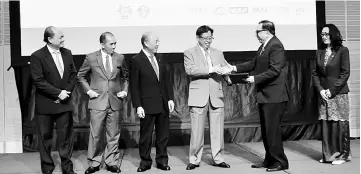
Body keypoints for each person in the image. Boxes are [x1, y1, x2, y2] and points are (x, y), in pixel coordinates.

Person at [227, 20, 289, 172]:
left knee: (272, 130)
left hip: (274, 95)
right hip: (265, 94)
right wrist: (233, 68)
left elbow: (275, 70)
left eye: (258, 31)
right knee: (267, 130)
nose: (256, 34)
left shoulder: (276, 45)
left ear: (267, 32)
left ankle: (280, 162)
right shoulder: (264, 46)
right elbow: (253, 63)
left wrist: (255, 79)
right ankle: (269, 160)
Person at [77, 32, 128, 174]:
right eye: (111, 44)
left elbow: (126, 77)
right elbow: (80, 76)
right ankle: (94, 162)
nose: (114, 46)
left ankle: (111, 162)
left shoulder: (120, 57)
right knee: (96, 134)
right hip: (97, 101)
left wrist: (124, 91)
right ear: (102, 45)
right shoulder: (91, 57)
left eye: (115, 43)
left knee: (113, 134)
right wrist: (88, 91)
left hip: (115, 101)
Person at [30, 26, 77, 174]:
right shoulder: (37, 56)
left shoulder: (67, 53)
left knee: (65, 138)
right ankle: (47, 168)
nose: (63, 40)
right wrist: (58, 93)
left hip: (65, 102)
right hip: (46, 104)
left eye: (63, 37)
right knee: (45, 138)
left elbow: (73, 75)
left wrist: (66, 92)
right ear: (50, 39)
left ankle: (67, 168)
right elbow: (38, 81)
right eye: (60, 37)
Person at [183, 25, 231, 170]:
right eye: (205, 38)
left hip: (216, 95)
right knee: (197, 130)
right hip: (199, 96)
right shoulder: (189, 52)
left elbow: (224, 68)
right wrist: (211, 69)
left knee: (217, 130)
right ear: (198, 38)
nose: (208, 41)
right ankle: (194, 159)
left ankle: (218, 158)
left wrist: (228, 78)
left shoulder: (218, 52)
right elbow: (190, 70)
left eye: (210, 38)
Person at [129, 32, 174, 172]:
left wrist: (171, 98)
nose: (158, 44)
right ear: (146, 43)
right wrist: (138, 105)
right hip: (147, 104)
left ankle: (162, 161)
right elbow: (134, 86)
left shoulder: (160, 58)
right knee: (146, 136)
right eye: (156, 41)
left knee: (163, 135)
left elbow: (167, 81)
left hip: (163, 103)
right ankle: (145, 162)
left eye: (158, 41)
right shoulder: (136, 60)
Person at [312, 24, 351, 165]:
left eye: (327, 34)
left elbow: (345, 73)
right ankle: (329, 155)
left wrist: (332, 90)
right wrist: (321, 90)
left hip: (338, 93)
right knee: (326, 124)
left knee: (339, 125)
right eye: (322, 34)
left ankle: (343, 155)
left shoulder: (343, 51)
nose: (324, 37)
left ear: (333, 35)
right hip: (324, 93)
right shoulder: (319, 52)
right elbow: (315, 74)